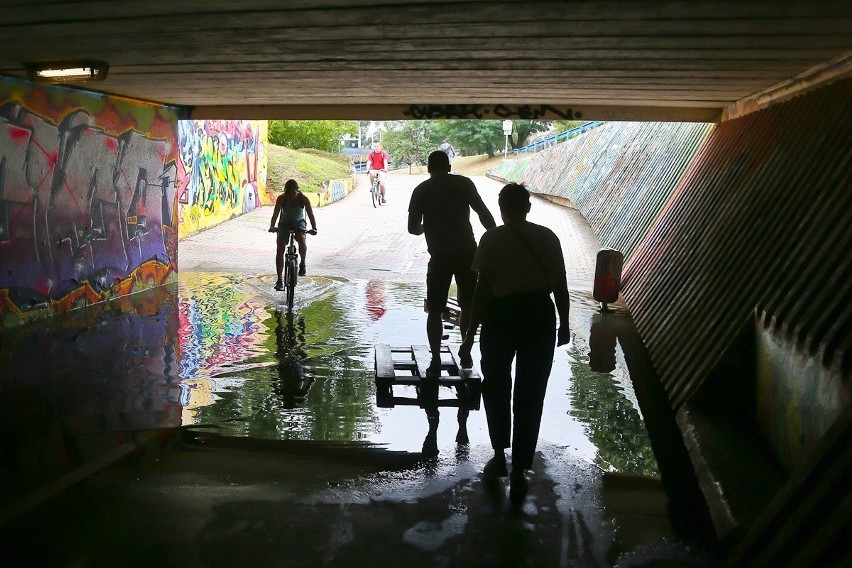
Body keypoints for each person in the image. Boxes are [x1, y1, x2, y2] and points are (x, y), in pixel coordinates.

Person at [458, 182, 571, 505]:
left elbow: (483, 290)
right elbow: (560, 284)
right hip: (540, 315)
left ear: (502, 208)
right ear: (528, 207)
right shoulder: (548, 237)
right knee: (531, 389)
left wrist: (469, 335)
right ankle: (522, 463)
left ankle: (498, 454)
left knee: (496, 384)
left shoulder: (493, 238)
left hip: (501, 316)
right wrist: (563, 323)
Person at [408, 150, 496, 376]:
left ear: (428, 168)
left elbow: (412, 228)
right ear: (449, 167)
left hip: (439, 256)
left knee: (435, 310)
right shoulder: (464, 184)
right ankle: (466, 349)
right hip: (468, 253)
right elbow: (483, 214)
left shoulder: (421, 191)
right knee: (468, 305)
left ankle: (436, 357)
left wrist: (428, 227)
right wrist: (497, 237)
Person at [268, 179, 317, 288]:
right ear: (285, 191)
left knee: (302, 240)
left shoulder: (304, 199)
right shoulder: (282, 198)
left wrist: (314, 228)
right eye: (288, 193)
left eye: (293, 193)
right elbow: (275, 213)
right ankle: (279, 280)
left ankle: (302, 263)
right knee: (280, 248)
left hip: (299, 223)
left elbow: (310, 214)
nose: (291, 196)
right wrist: (272, 226)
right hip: (284, 223)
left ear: (297, 190)